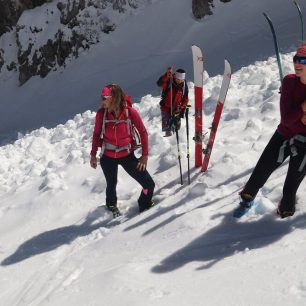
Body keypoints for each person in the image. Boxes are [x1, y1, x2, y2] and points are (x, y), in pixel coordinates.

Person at [233, 44, 306, 219]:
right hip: (284, 133)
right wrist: (304, 108)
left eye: (302, 60)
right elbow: (286, 119)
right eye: (295, 58)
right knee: (261, 170)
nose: (297, 63)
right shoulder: (289, 82)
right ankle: (247, 200)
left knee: (291, 185)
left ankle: (285, 211)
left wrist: (298, 118)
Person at [90, 84, 155, 215]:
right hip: (107, 157)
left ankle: (144, 203)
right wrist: (93, 155)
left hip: (127, 155)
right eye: (101, 97)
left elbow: (143, 132)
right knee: (111, 184)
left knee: (148, 184)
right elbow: (97, 134)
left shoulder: (130, 112)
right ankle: (111, 205)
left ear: (113, 98)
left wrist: (144, 156)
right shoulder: (101, 114)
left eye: (104, 98)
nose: (101, 101)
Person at [157, 67, 189, 137]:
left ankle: (176, 140)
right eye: (178, 79)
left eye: (181, 80)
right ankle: (168, 141)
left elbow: (185, 99)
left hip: (176, 109)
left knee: (177, 128)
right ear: (175, 77)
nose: (179, 81)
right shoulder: (169, 81)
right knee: (167, 129)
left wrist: (180, 108)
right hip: (166, 108)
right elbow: (159, 83)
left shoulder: (184, 86)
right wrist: (166, 75)